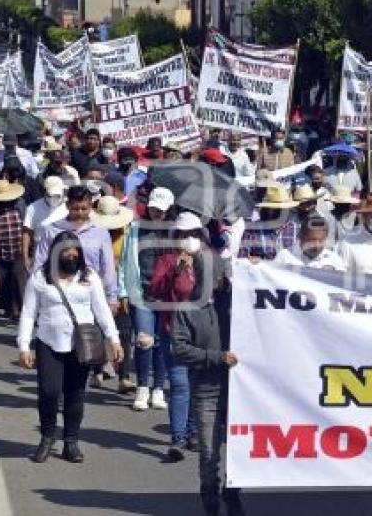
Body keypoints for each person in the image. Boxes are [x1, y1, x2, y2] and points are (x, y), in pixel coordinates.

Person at [17, 231, 123, 464]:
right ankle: (47, 437)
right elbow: (28, 313)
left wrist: (114, 339)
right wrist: (24, 346)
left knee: (75, 395)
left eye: (75, 250)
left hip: (79, 345)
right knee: (49, 392)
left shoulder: (89, 277)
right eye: (66, 250)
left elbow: (102, 311)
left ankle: (71, 442)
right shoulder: (40, 277)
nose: (71, 255)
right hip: (48, 342)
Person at [167, 220, 242, 516]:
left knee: (236, 448)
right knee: (209, 450)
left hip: (238, 388)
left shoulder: (236, 305)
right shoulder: (187, 309)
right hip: (206, 388)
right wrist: (216, 357)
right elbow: (180, 348)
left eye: (218, 270)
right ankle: (210, 497)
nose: (214, 275)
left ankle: (234, 494)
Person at [149, 212, 208, 460]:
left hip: (203, 332)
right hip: (174, 330)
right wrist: (176, 272)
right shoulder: (167, 261)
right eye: (183, 234)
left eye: (193, 234)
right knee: (180, 383)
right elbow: (155, 291)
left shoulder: (209, 260)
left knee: (198, 384)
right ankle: (178, 437)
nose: (188, 239)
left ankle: (195, 432)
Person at [118, 187, 174, 411]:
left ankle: (158, 388)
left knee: (162, 343)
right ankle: (142, 387)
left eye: (161, 210)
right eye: (153, 208)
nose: (156, 213)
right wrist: (122, 290)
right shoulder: (135, 228)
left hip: (167, 296)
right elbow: (125, 261)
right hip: (141, 292)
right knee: (144, 340)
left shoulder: (174, 231)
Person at [32, 185, 117, 313]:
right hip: (59, 296)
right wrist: (38, 295)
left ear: (91, 206)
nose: (80, 213)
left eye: (84, 208)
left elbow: (108, 267)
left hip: (91, 296)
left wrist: (111, 298)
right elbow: (40, 263)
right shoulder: (52, 231)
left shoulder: (100, 233)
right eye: (75, 209)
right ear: (67, 206)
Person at [90, 195, 135, 393]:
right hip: (96, 287)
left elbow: (129, 263)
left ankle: (124, 376)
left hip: (121, 288)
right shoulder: (92, 233)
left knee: (124, 332)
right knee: (97, 331)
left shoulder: (127, 233)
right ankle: (98, 370)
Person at [0, 179, 27, 320]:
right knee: (16, 281)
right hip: (16, 252)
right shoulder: (19, 212)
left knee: (6, 281)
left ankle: (12, 309)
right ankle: (16, 309)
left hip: (4, 253)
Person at [238, 185, 299, 261]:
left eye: (284, 209)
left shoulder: (295, 229)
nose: (281, 213)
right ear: (266, 210)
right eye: (277, 209)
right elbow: (241, 262)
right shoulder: (252, 231)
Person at [22, 176, 68, 273]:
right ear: (45, 192)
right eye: (51, 196)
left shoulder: (68, 208)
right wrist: (25, 257)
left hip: (64, 253)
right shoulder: (33, 208)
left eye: (57, 196)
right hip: (40, 254)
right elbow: (27, 233)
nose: (54, 199)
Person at [274, 213, 345, 270]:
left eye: (321, 241)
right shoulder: (284, 258)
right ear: (301, 237)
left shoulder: (335, 261)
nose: (316, 246)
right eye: (312, 241)